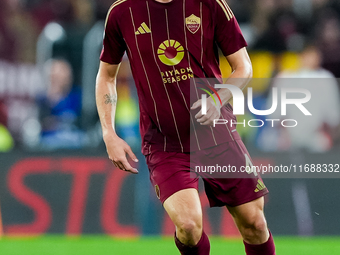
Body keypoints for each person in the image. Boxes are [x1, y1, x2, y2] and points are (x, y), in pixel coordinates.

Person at [96, 0, 276, 254]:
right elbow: (106, 75)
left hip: (216, 133)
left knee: (254, 223)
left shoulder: (210, 4)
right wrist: (108, 133)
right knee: (189, 227)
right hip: (165, 142)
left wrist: (218, 99)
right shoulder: (122, 12)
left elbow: (243, 67)